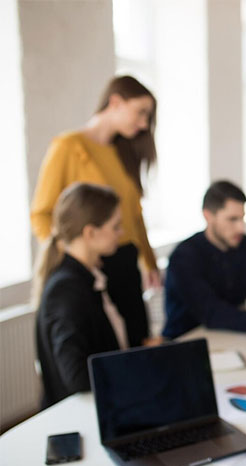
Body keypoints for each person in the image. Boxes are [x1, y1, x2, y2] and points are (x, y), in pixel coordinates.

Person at [30, 75, 160, 348]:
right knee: (100, 351)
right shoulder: (68, 147)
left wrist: (148, 260)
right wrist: (70, 256)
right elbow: (41, 213)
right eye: (140, 112)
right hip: (91, 264)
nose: (144, 123)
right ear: (115, 102)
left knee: (138, 344)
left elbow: (134, 215)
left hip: (125, 260)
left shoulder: (124, 151)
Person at [34, 183, 125, 409]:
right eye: (116, 227)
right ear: (90, 233)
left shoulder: (88, 276)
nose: (121, 233)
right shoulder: (66, 289)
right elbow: (77, 377)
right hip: (81, 415)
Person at [162, 180, 246, 339]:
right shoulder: (184, 257)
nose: (241, 227)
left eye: (242, 218)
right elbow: (212, 313)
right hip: (185, 341)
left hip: (230, 336)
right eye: (232, 219)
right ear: (208, 216)